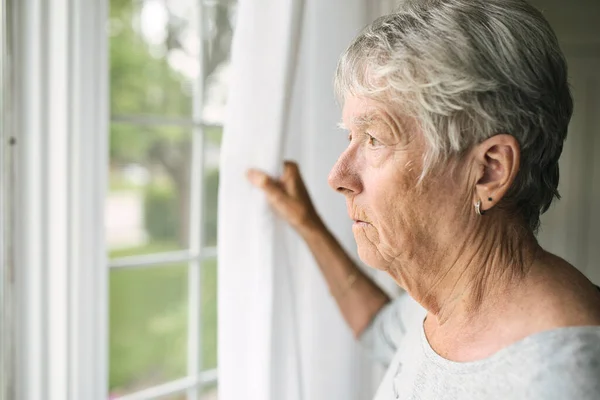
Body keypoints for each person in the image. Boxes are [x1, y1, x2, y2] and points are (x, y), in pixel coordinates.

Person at [247, 0, 600, 398]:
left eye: (375, 139)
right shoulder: (445, 298)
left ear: (489, 170)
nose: (337, 177)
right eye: (351, 138)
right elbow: (381, 327)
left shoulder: (561, 379)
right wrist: (306, 224)